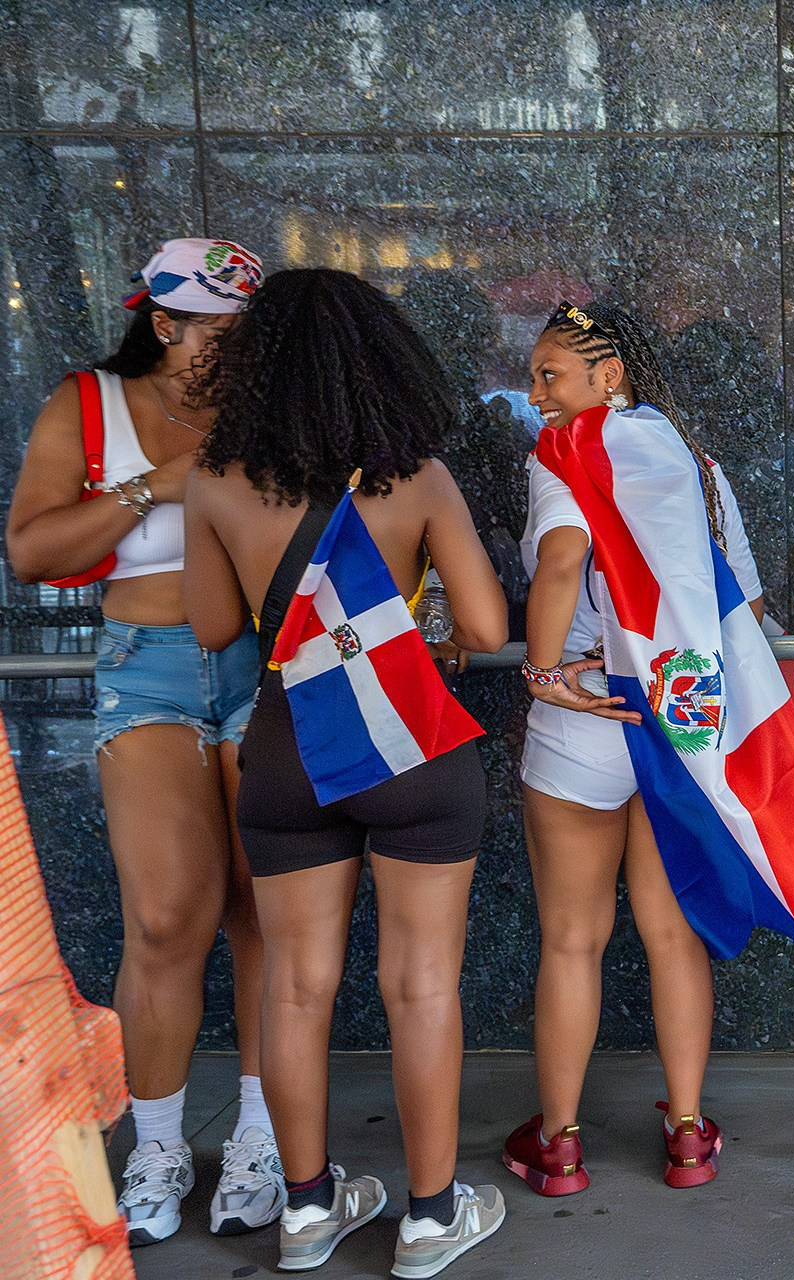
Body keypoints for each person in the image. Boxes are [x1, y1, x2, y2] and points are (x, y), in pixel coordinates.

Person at [183, 268, 508, 1277]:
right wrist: (415, 623)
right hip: (411, 747)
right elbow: (490, 624)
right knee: (420, 986)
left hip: (288, 752)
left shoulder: (214, 482)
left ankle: (309, 1209)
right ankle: (426, 1215)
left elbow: (213, 628)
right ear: (383, 362)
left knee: (292, 989)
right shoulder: (419, 480)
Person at [5, 238, 282, 1245]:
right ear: (162, 320)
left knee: (266, 903)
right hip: (148, 662)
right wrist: (150, 488)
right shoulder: (87, 405)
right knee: (167, 914)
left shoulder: (270, 406)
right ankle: (158, 1146)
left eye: (246, 327)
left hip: (267, 657)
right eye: (216, 325)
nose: (234, 345)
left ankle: (262, 1134)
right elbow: (31, 549)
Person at [501, 299, 763, 1196]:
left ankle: (562, 1144)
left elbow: (562, 563)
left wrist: (542, 673)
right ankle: (688, 1135)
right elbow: (746, 609)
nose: (535, 394)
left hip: (580, 718)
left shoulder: (563, 457)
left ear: (609, 377)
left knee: (573, 940)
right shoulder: (695, 465)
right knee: (670, 932)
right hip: (671, 722)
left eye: (549, 374)